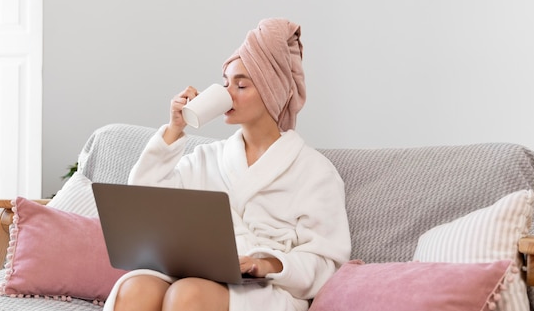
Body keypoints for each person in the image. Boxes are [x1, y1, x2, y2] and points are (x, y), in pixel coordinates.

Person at [103, 18, 351, 311]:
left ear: (271, 91)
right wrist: (174, 129)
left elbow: (326, 263)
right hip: (196, 273)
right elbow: (144, 202)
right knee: (136, 289)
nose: (227, 94)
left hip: (267, 288)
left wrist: (266, 263)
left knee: (188, 295)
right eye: (225, 84)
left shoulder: (314, 171)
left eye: (241, 85)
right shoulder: (208, 157)